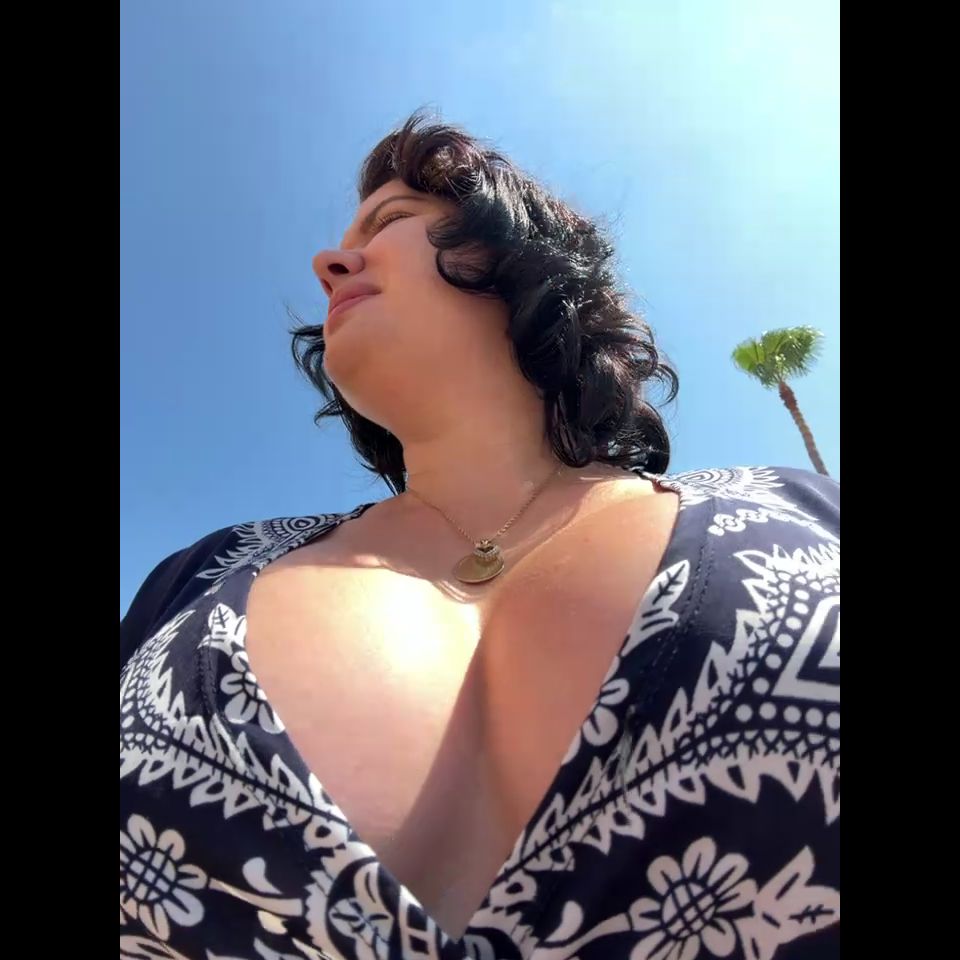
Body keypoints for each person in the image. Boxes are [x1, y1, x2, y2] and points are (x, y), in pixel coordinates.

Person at [120, 110, 839, 960]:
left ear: (513, 250)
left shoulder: (802, 513)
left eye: (389, 220)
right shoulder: (198, 579)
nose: (328, 262)